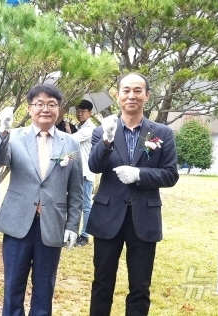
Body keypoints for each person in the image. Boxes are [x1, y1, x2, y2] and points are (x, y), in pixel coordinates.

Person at [87, 73, 179, 315]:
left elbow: (170, 174)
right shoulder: (102, 130)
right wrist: (106, 141)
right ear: (117, 95)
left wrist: (140, 174)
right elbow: (94, 166)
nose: (131, 96)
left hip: (144, 217)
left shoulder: (162, 132)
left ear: (147, 96)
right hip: (108, 216)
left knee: (140, 285)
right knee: (102, 283)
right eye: (126, 90)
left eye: (138, 91)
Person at [0, 83, 83, 315]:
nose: (45, 109)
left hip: (51, 224)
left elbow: (76, 188)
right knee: (13, 286)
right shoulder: (14, 136)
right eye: (39, 104)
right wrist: (2, 131)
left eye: (51, 104)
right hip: (18, 223)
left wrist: (72, 225)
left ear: (59, 109)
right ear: (30, 109)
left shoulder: (69, 143)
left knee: (44, 288)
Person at [71, 100, 96, 247]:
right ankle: (76, 233)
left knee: (86, 205)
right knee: (75, 203)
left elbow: (71, 139)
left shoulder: (89, 128)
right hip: (79, 171)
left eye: (83, 111)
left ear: (90, 113)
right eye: (78, 111)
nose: (79, 114)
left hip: (86, 172)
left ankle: (85, 235)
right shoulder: (81, 127)